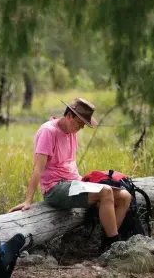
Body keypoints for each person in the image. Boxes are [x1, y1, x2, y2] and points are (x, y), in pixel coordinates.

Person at [9, 97, 131, 248]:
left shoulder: (71, 131)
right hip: (55, 188)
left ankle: (106, 241)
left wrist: (87, 182)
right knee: (105, 191)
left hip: (74, 184)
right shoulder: (48, 132)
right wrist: (28, 200)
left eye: (83, 125)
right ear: (68, 116)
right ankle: (114, 245)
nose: (81, 128)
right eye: (79, 123)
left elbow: (69, 166)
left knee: (125, 196)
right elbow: (38, 168)